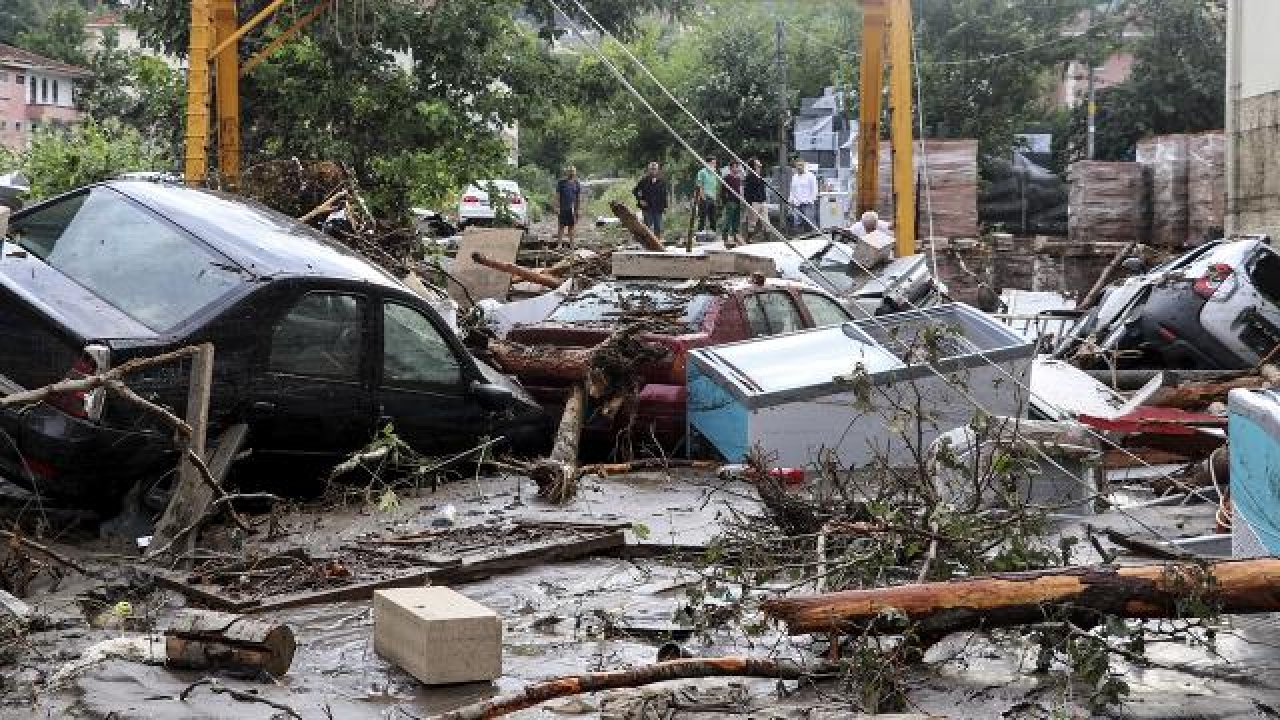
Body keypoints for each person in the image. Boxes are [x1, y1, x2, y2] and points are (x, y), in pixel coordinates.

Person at [632, 161, 669, 238]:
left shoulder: (662, 181)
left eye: (655, 169)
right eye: (652, 169)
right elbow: (635, 191)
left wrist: (665, 207)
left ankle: (658, 243)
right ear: (649, 170)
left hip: (658, 207)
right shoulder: (644, 180)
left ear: (658, 170)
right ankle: (648, 243)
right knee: (647, 227)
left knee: (658, 227)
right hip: (647, 207)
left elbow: (664, 194)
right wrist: (640, 200)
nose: (653, 170)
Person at [787, 158, 818, 233]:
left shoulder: (810, 176)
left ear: (804, 165)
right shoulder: (794, 177)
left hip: (807, 203)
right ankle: (799, 237)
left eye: (801, 165)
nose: (799, 167)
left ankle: (809, 236)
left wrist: (811, 200)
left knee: (808, 221)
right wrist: (790, 200)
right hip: (797, 203)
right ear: (796, 166)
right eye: (797, 165)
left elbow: (814, 189)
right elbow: (792, 189)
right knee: (797, 221)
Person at [743, 157, 769, 242]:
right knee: (752, 222)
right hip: (754, 202)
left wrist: (764, 199)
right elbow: (746, 192)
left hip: (762, 201)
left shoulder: (760, 176)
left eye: (760, 165)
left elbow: (763, 189)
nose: (760, 166)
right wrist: (749, 204)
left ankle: (767, 239)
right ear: (753, 167)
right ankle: (749, 239)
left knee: (766, 222)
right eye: (758, 165)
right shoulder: (749, 177)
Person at [554, 166, 582, 246]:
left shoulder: (577, 183)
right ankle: (559, 244)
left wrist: (578, 210)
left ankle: (572, 244)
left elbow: (578, 198)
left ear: (575, 173)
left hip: (572, 209)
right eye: (570, 171)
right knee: (561, 226)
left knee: (571, 227)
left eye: (573, 171)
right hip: (563, 208)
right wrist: (557, 207)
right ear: (567, 172)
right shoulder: (561, 182)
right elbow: (557, 196)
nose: (571, 173)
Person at [719, 160, 744, 245]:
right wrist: (725, 201)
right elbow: (722, 191)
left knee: (736, 220)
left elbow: (740, 189)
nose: (736, 168)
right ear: (730, 168)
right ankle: (725, 236)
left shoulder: (738, 178)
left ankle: (735, 235)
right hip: (730, 201)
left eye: (737, 167)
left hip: (737, 201)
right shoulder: (727, 178)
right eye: (734, 167)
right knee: (728, 219)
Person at [694, 156, 720, 232]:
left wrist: (716, 197)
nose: (714, 165)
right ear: (707, 163)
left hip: (713, 197)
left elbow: (715, 185)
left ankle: (713, 232)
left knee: (713, 217)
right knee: (703, 217)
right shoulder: (702, 172)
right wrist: (702, 196)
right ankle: (700, 232)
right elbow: (699, 185)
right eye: (713, 163)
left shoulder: (714, 173)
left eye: (715, 163)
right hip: (705, 197)